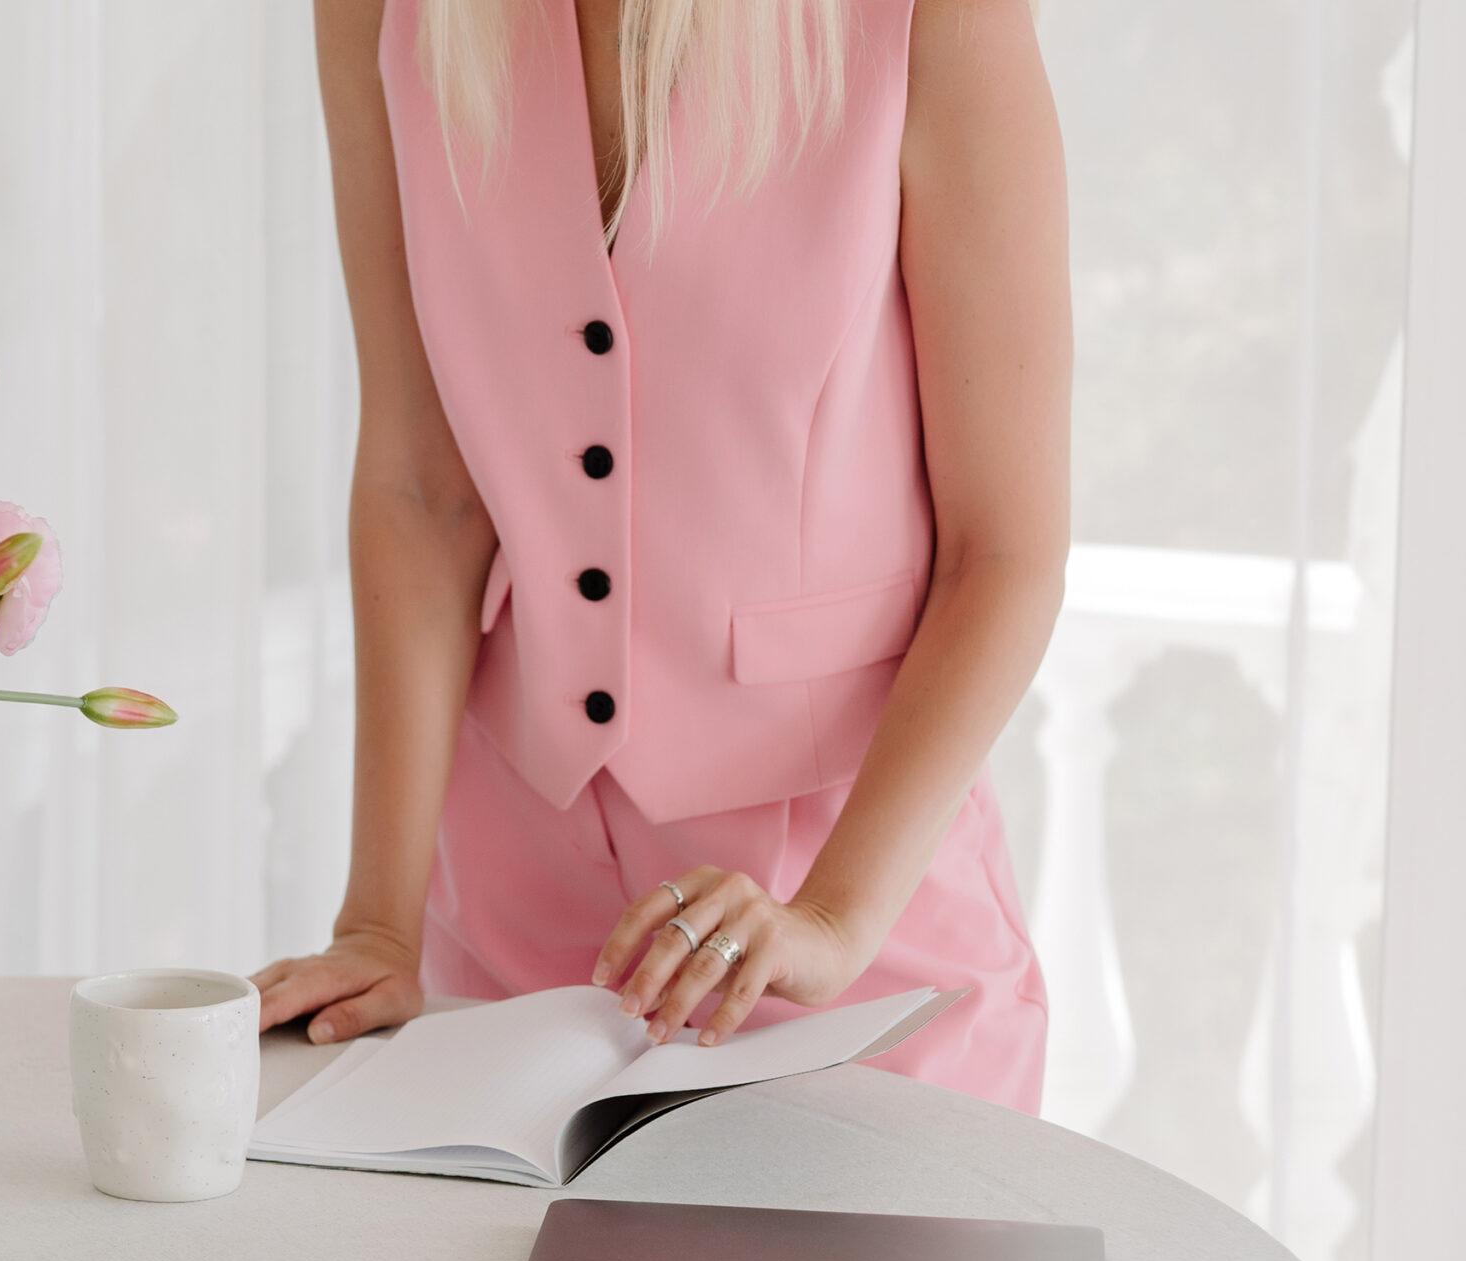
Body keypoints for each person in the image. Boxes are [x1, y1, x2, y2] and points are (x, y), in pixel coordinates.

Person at [255, 0, 1067, 1109]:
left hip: (860, 936)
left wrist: (830, 920)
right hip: (513, 935)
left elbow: (1003, 551)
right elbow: (421, 487)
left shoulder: (926, 18)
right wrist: (378, 924)